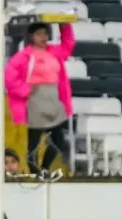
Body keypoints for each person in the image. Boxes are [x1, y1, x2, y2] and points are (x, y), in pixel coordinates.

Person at [4, 22, 75, 177]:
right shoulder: (23, 56)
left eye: (45, 33)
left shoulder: (54, 52)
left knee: (58, 141)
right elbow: (9, 78)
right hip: (35, 99)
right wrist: (25, 90)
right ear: (31, 37)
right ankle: (35, 171)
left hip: (53, 98)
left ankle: (44, 168)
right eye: (39, 34)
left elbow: (68, 46)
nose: (43, 37)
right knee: (34, 142)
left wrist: (65, 27)